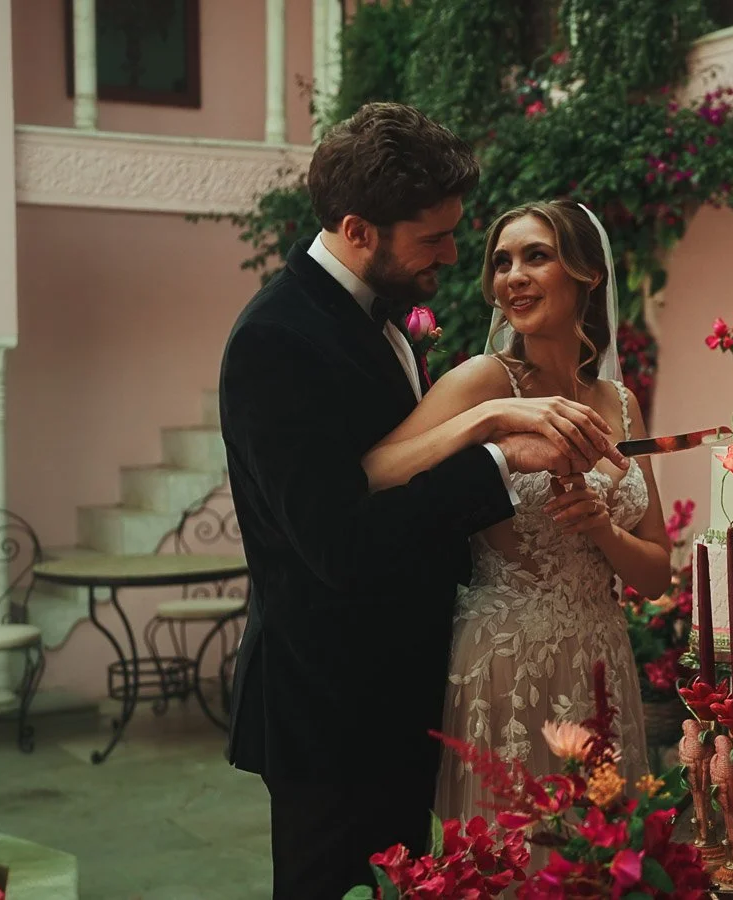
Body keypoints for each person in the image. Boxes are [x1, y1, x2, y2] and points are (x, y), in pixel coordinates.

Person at [217, 103, 626, 900]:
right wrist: (497, 457)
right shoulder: (277, 339)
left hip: (411, 689)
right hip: (330, 707)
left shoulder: (392, 316)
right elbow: (338, 542)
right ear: (358, 227)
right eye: (432, 237)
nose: (451, 253)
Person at [356, 200, 671, 818]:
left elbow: (657, 575)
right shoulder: (483, 379)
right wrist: (487, 420)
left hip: (602, 658)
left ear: (588, 274)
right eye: (501, 262)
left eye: (536, 256)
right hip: (508, 664)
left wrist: (602, 528)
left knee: (602, 859)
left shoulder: (621, 401)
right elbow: (373, 473)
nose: (513, 276)